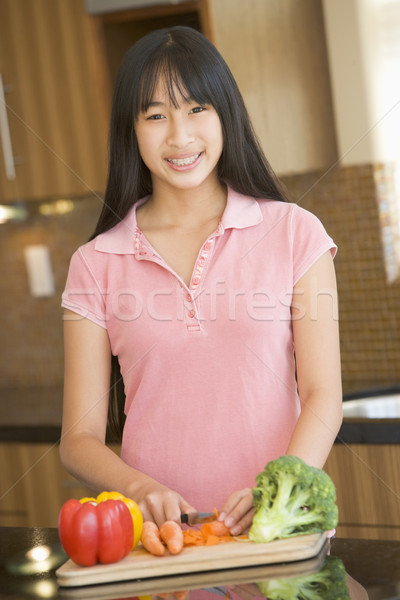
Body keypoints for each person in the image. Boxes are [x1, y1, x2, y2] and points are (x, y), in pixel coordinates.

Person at [60, 26, 342, 536]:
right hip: (165, 541)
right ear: (132, 129)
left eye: (196, 109)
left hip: (279, 533)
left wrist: (278, 488)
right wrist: (142, 491)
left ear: (225, 115)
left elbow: (324, 395)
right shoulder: (94, 263)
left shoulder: (295, 232)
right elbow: (78, 438)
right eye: (155, 115)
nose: (180, 136)